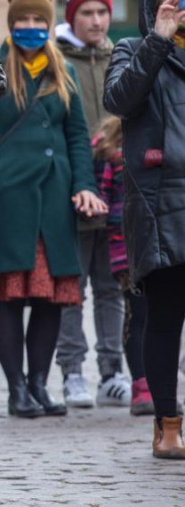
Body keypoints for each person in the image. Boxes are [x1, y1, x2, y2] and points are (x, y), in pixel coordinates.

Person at [0, 0, 105, 419]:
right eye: (22, 21)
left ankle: (40, 384)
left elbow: (77, 135)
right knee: (9, 297)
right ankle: (16, 389)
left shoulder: (62, 71)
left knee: (48, 298)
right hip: (5, 202)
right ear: (11, 25)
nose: (29, 28)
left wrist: (84, 184)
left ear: (48, 25)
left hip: (54, 200)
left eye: (37, 21)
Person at [104, 0, 185, 458]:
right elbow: (119, 102)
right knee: (165, 316)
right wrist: (159, 38)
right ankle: (168, 424)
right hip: (161, 202)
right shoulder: (133, 47)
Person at [54, 0, 130, 409]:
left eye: (102, 12)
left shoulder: (120, 54)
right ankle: (72, 372)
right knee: (72, 286)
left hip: (118, 186)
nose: (97, 21)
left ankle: (111, 370)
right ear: (73, 18)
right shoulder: (58, 62)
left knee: (111, 284)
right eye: (88, 13)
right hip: (76, 187)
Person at [92, 117, 152, 415]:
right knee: (136, 314)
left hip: (164, 240)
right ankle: (142, 385)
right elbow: (102, 196)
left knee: (163, 315)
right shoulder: (110, 147)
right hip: (125, 247)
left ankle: (158, 380)